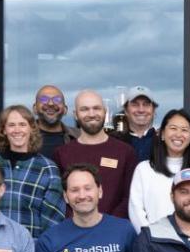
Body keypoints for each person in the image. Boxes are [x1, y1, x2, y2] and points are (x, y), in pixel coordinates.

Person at [52, 89, 138, 220]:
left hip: (114, 231)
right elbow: (60, 198)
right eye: (84, 109)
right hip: (75, 232)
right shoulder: (62, 153)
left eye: (96, 108)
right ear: (75, 115)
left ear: (105, 111)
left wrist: (107, 225)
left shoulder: (125, 152)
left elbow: (130, 197)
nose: (91, 114)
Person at [128, 108, 190, 232]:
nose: (178, 134)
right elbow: (136, 210)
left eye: (184, 130)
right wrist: (150, 238)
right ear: (162, 134)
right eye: (173, 128)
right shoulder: (144, 169)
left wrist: (189, 238)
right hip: (152, 243)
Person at [0, 105, 64, 237]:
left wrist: (40, 251)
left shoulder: (47, 169)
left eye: (22, 124)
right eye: (11, 125)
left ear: (31, 129)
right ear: (4, 130)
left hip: (30, 248)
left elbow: (53, 219)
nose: (17, 130)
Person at [30, 85, 74, 160]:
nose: (51, 104)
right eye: (44, 99)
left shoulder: (77, 137)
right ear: (35, 109)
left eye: (57, 100)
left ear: (65, 110)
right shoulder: (24, 136)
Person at [118, 86, 158, 162]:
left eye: (146, 104)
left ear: (153, 110)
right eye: (135, 105)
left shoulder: (163, 143)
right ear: (126, 110)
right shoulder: (115, 142)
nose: (141, 110)